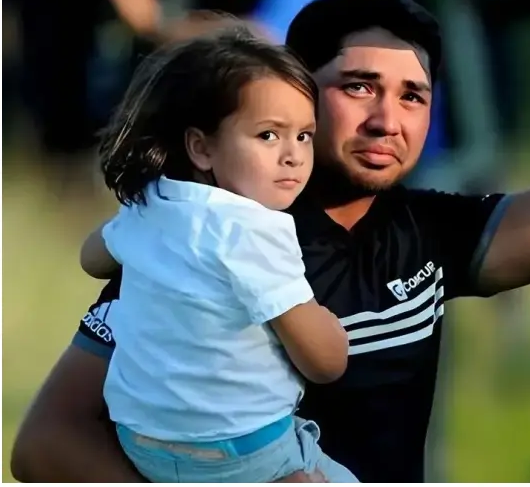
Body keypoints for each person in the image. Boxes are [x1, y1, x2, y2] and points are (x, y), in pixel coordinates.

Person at [10, 0, 530, 483]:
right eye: (359, 86)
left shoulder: (428, 230)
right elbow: (47, 444)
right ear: (297, 90)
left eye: (413, 96)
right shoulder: (209, 232)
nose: (387, 119)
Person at [79, 28, 355, 483]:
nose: (293, 155)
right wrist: (327, 324)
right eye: (269, 135)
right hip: (245, 453)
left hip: (142, 443)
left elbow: (92, 259)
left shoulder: (152, 203)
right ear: (202, 147)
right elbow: (326, 364)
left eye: (305, 135)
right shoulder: (252, 229)